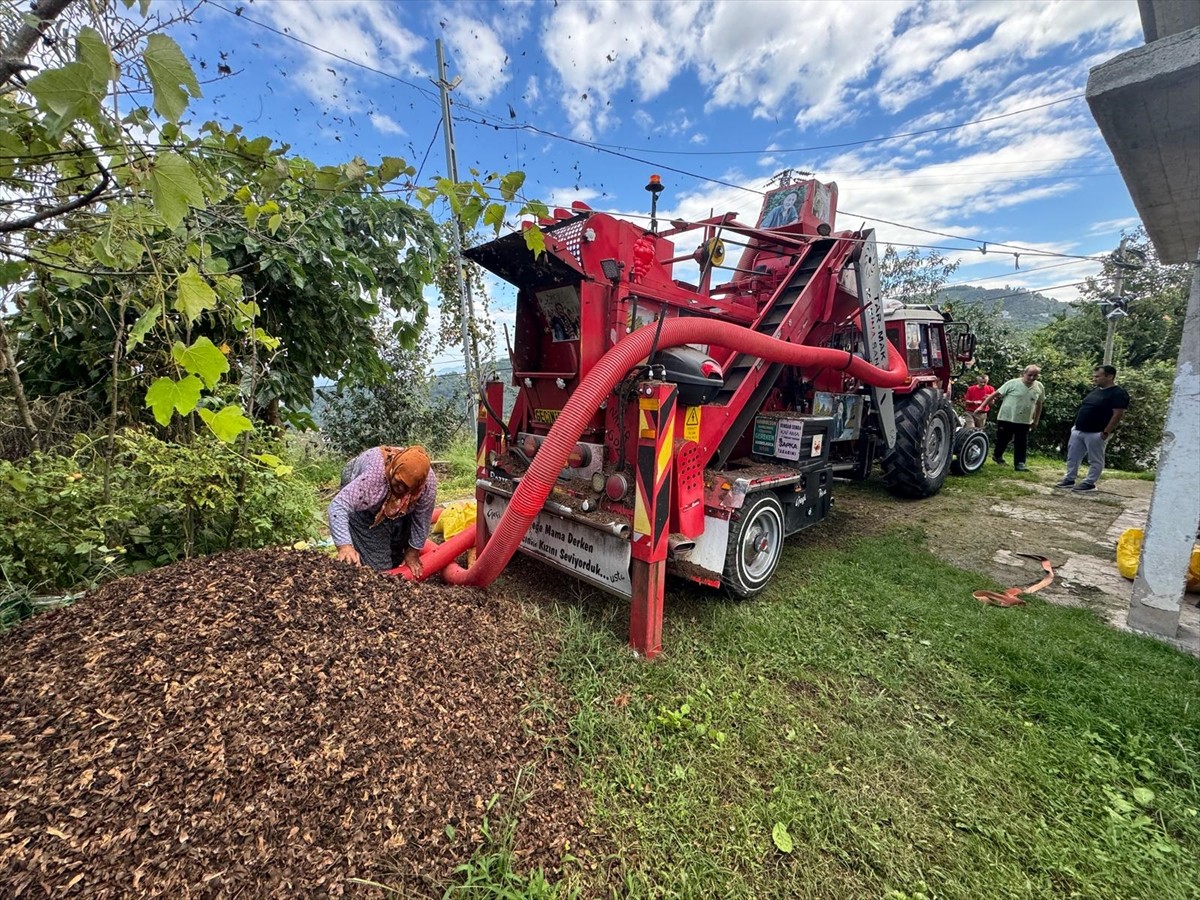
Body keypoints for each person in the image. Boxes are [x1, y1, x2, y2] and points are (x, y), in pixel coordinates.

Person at [328, 445, 438, 575]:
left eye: (406, 486)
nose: (400, 488)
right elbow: (338, 506)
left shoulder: (426, 486)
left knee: (397, 553)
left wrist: (413, 551)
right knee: (377, 565)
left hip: (397, 504)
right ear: (393, 470)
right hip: (362, 493)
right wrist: (344, 546)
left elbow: (422, 518)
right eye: (398, 481)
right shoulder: (372, 479)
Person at [1055, 365, 1130, 493]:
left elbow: (1117, 414)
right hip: (1079, 430)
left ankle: (1090, 482)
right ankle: (1069, 479)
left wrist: (1106, 431)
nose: (1094, 379)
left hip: (1097, 432)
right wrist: (1075, 427)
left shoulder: (1118, 393)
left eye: (1097, 376)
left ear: (1110, 376)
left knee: (1095, 459)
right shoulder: (1096, 391)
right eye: (1094, 376)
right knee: (1073, 456)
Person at [979, 365, 1043, 471]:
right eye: (1030, 375)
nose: (1032, 378)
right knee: (1003, 439)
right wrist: (982, 406)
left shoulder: (1039, 386)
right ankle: (997, 455)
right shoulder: (1012, 383)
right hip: (1007, 417)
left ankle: (1020, 463)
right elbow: (994, 395)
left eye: (1035, 375)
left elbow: (1039, 404)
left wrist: (1035, 420)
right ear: (1024, 373)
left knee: (1021, 441)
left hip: (1024, 419)